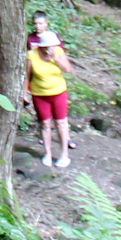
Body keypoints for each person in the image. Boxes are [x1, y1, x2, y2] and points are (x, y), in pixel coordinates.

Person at [26, 11, 73, 167]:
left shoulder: (58, 52)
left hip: (58, 92)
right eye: (47, 47)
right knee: (45, 124)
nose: (50, 48)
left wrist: (55, 59)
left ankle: (64, 155)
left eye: (52, 46)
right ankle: (47, 153)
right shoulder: (32, 54)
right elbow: (27, 75)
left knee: (61, 123)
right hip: (39, 93)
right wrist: (25, 92)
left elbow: (68, 69)